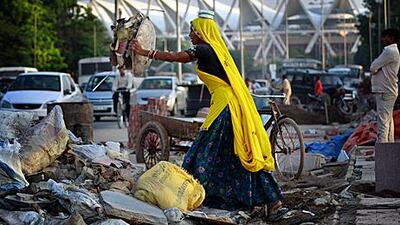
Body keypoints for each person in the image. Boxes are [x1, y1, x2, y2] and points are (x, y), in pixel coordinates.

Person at [132, 10, 286, 220]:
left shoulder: (204, 49)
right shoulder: (217, 50)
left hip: (225, 107)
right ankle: (271, 201)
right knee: (238, 155)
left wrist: (145, 52)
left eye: (191, 31)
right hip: (227, 105)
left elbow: (177, 57)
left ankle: (191, 197)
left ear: (201, 32)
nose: (189, 35)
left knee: (203, 152)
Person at [370, 28, 400, 143]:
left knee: (383, 123)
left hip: (385, 91)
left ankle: (383, 152)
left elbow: (373, 67)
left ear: (391, 38)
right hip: (389, 90)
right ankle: (389, 148)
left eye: (385, 37)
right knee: (388, 121)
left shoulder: (389, 51)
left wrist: (377, 69)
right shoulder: (393, 51)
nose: (383, 39)